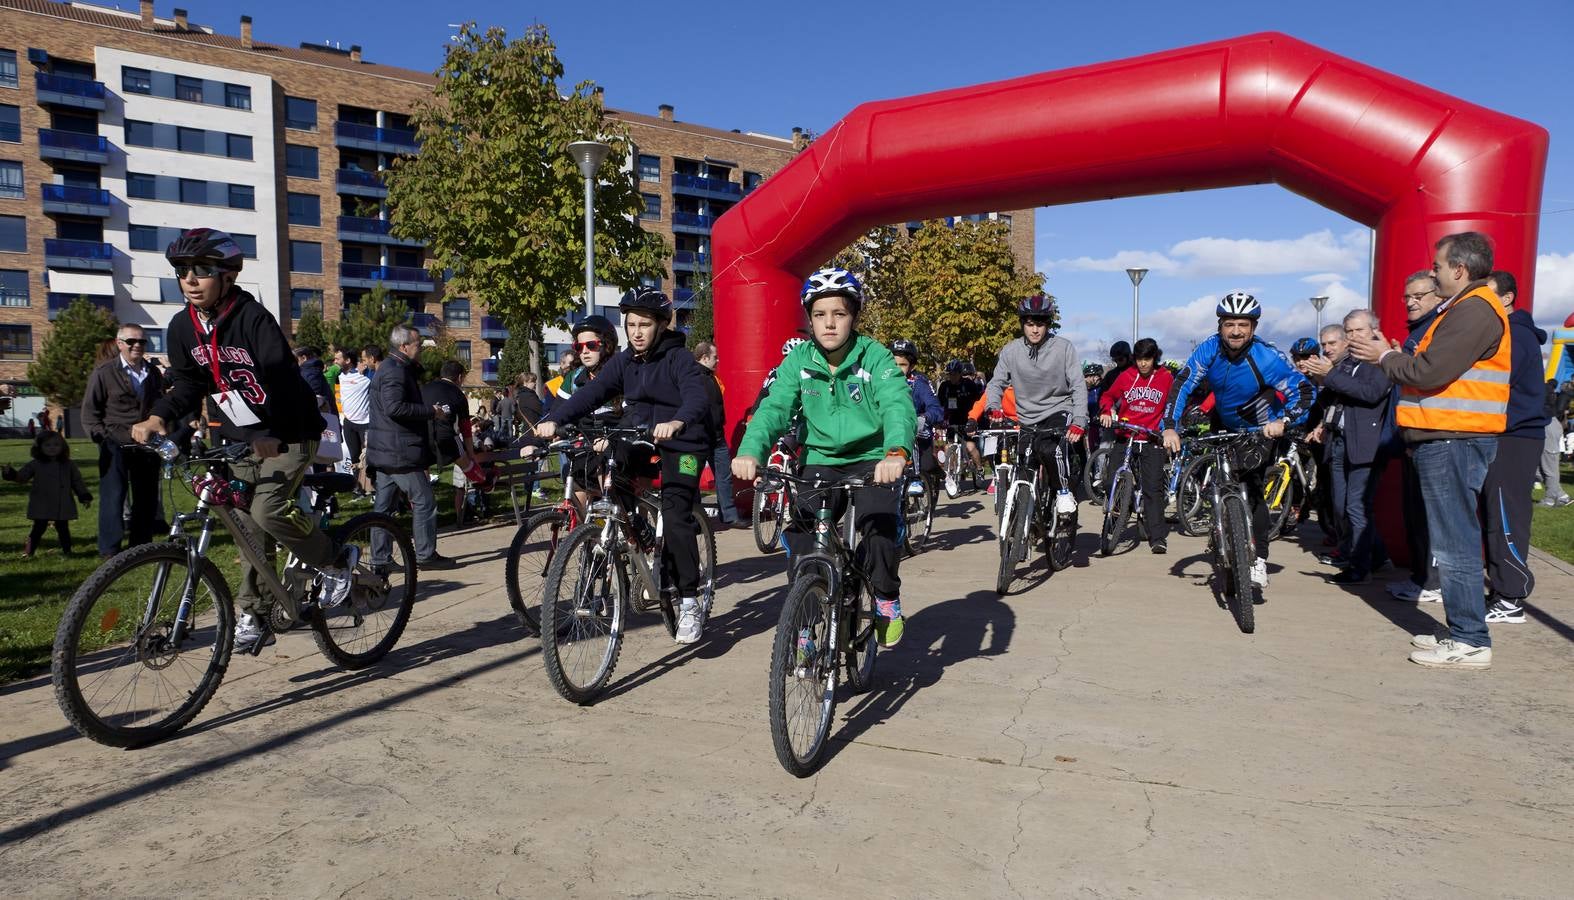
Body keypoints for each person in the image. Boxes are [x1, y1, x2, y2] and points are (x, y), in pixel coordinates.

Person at [131, 227, 349, 652]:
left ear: (228, 276)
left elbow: (282, 381)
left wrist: (267, 433)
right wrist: (158, 416)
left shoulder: (253, 319)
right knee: (246, 527)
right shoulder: (181, 328)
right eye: (182, 271)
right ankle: (258, 611)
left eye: (202, 270)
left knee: (268, 511)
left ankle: (334, 559)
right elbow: (190, 386)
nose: (190, 279)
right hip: (239, 439)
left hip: (289, 432)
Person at [1349, 231, 1510, 669]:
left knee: (1455, 542)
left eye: (1438, 267)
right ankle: (1463, 632)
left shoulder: (1474, 309)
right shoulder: (1464, 308)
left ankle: (1470, 639)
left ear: (1459, 269)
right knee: (1452, 538)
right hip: (1447, 437)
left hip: (1452, 438)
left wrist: (1385, 357)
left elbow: (1429, 369)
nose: (1434, 273)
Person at [734, 268, 916, 647]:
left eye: (839, 314)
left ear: (854, 316)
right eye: (820, 315)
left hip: (873, 458)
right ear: (810, 318)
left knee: (880, 529)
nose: (829, 323)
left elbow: (898, 405)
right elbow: (774, 409)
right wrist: (751, 450)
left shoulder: (876, 357)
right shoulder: (798, 359)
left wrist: (896, 452)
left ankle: (884, 597)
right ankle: (806, 621)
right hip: (819, 459)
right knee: (802, 537)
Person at [536, 290, 712, 643]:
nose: (636, 332)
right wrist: (555, 420)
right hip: (638, 434)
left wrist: (678, 421)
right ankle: (639, 535)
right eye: (630, 324)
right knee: (612, 478)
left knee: (677, 513)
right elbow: (592, 393)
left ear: (662, 325)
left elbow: (697, 396)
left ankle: (690, 600)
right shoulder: (625, 361)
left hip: (683, 440)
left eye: (644, 324)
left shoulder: (678, 359)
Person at [1163, 291, 1312, 592]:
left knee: (1253, 490)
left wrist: (1283, 421)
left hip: (1259, 427)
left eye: (1243, 324)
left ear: (1254, 328)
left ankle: (1258, 560)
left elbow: (1304, 391)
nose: (1235, 330)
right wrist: (1170, 426)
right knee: (1221, 483)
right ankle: (1222, 526)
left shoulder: (1267, 357)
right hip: (1224, 421)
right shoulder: (1209, 349)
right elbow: (1183, 382)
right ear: (1220, 325)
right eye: (1229, 323)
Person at [984, 292, 1088, 539]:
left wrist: (1079, 421)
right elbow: (996, 383)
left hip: (1058, 409)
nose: (1035, 330)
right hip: (1027, 418)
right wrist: (994, 406)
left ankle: (1063, 492)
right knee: (1024, 467)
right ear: (1023, 324)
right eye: (1030, 324)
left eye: (1040, 324)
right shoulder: (1011, 351)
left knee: (1052, 450)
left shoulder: (1063, 348)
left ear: (1047, 325)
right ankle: (1025, 525)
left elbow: (1077, 385)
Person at [1300, 313, 1394, 585]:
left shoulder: (1379, 360)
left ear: (1374, 330)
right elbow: (1334, 395)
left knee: (1356, 507)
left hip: (1364, 443)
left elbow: (1370, 394)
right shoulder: (1349, 362)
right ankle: (1375, 557)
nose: (1353, 336)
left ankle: (1359, 567)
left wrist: (1329, 375)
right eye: (1349, 331)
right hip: (1340, 441)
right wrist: (1320, 377)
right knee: (1343, 507)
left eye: (1359, 330)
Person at [1476, 270, 1548, 624]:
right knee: (1494, 515)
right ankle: (1503, 591)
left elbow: (1498, 381)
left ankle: (1511, 596)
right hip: (1503, 434)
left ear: (1507, 299)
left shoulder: (1515, 335)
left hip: (1516, 436)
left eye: (1489, 296)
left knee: (1506, 516)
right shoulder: (1506, 333)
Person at [367, 324, 457, 570]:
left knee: (383, 509)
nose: (422, 348)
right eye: (418, 344)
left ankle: (380, 558)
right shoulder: (395, 371)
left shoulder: (390, 368)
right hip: (399, 452)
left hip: (387, 450)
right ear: (404, 346)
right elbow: (394, 408)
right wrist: (432, 411)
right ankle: (425, 555)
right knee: (424, 501)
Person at [81, 323, 165, 557]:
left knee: (146, 496)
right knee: (113, 495)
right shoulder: (104, 372)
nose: (137, 345)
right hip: (114, 441)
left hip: (146, 442)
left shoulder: (153, 372)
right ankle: (109, 548)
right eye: (131, 341)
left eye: (142, 341)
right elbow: (90, 411)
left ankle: (140, 545)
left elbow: (158, 403)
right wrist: (100, 437)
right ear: (120, 344)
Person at [1098, 337, 1174, 553]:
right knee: (1112, 480)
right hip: (1126, 436)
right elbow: (1108, 396)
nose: (1143, 364)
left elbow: (1173, 404)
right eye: (1139, 359)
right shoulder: (1126, 376)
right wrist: (1106, 411)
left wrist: (1169, 428)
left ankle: (1157, 537)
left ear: (1155, 357)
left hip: (1151, 440)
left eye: (1147, 359)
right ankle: (1117, 518)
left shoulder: (1165, 377)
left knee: (1153, 490)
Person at [2, 430, 92, 557]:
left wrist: (84, 496)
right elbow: (21, 477)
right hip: (42, 502)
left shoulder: (68, 464)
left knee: (63, 528)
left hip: (62, 503)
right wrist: (9, 473)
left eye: (56, 444)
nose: (52, 448)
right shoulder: (35, 464)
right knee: (38, 528)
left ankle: (68, 551)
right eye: (47, 445)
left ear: (63, 446)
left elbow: (77, 482)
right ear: (40, 447)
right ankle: (29, 552)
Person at [889, 338, 946, 497]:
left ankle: (922, 474)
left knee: (926, 464)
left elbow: (936, 409)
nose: (897, 369)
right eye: (894, 365)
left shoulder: (919, 383)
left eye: (902, 365)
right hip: (891, 429)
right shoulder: (882, 381)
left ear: (912, 366)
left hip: (918, 430)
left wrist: (924, 418)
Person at [692, 340, 740, 526]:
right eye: (715, 357)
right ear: (704, 358)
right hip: (696, 440)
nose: (718, 360)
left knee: (724, 476)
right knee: (691, 479)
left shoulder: (711, 377)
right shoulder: (692, 377)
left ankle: (729, 515)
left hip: (717, 438)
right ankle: (695, 520)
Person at [423, 360, 476, 526]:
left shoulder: (425, 388)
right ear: (459, 377)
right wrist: (471, 454)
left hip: (422, 436)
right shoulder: (458, 394)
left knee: (423, 474)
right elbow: (465, 428)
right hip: (447, 436)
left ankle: (426, 506)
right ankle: (484, 481)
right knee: (467, 464)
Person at [936, 359, 984, 495]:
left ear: (960, 374)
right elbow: (939, 405)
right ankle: (952, 473)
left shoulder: (968, 385)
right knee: (948, 447)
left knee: (970, 447)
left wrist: (974, 420)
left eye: (955, 374)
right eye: (950, 374)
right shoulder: (944, 387)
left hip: (967, 421)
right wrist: (940, 421)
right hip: (952, 421)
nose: (952, 377)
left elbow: (978, 402)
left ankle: (979, 468)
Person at [337, 350, 372, 491]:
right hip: (349, 423)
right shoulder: (339, 375)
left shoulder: (365, 374)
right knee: (354, 457)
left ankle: (372, 487)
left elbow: (377, 375)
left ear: (347, 361)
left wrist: (365, 368)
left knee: (368, 458)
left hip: (366, 422)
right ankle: (358, 488)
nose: (334, 361)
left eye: (337, 358)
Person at [1542, 377, 1572, 507]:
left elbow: (1559, 409)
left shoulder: (1561, 394)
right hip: (1550, 424)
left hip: (1549, 425)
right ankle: (1561, 495)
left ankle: (1550, 499)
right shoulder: (1550, 391)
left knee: (1549, 466)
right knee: (1544, 465)